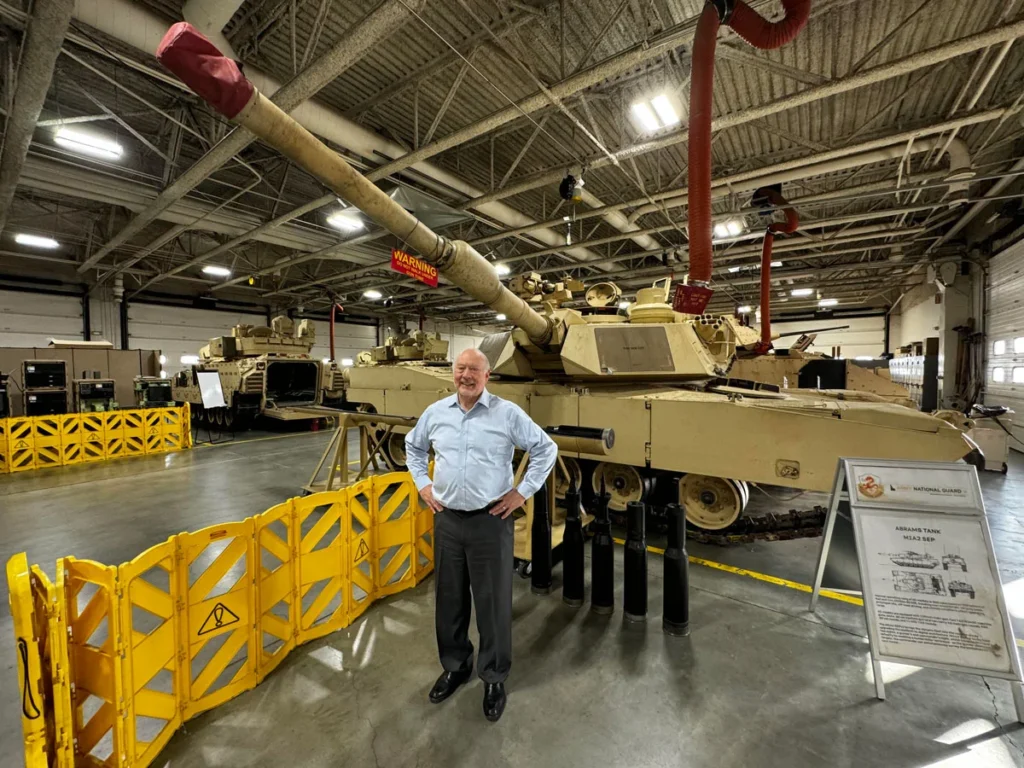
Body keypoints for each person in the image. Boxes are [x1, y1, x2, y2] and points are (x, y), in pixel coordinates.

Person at [405, 347, 557, 722]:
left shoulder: (506, 414)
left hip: (490, 520)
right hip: (447, 520)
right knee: (449, 598)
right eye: (460, 369)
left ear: (487, 376)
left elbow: (544, 448)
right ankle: (456, 666)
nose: (466, 375)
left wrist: (522, 491)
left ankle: (493, 675)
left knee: (492, 603)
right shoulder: (436, 413)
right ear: (452, 373)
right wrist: (423, 484)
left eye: (474, 369)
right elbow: (413, 446)